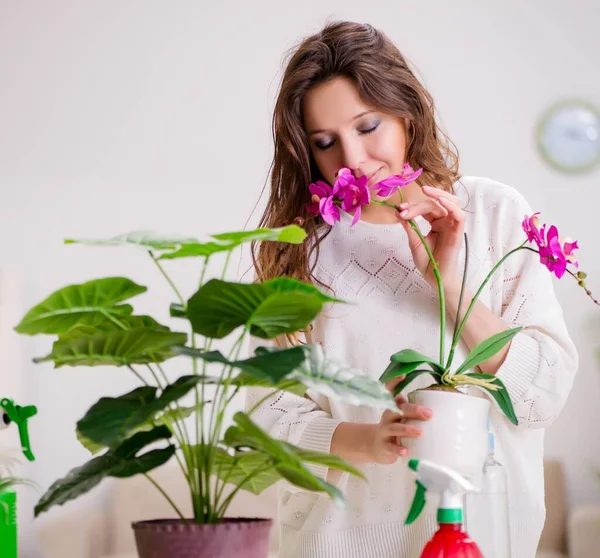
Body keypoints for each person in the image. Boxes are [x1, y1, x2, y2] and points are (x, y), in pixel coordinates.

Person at [247, 21, 578, 558]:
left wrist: (451, 289)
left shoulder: (493, 215)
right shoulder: (298, 253)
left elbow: (544, 394)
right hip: (337, 545)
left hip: (487, 539)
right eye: (326, 142)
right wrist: (367, 440)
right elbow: (267, 414)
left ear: (405, 112)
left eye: (368, 125)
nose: (352, 160)